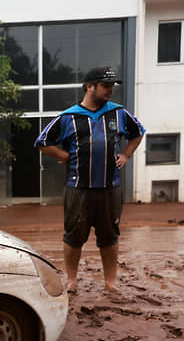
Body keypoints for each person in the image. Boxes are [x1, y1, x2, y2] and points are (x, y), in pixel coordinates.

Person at [35, 66, 145, 295]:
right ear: (89, 87)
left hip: (109, 188)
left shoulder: (119, 113)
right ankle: (72, 281)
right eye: (106, 86)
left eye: (113, 86)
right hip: (78, 190)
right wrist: (64, 156)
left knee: (110, 237)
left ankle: (110, 283)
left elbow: (138, 133)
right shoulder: (68, 117)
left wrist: (126, 154)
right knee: (73, 237)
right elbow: (43, 141)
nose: (110, 90)